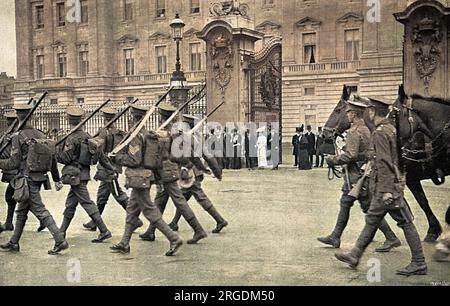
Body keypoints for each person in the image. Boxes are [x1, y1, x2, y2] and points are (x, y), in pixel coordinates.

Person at [335, 98, 427, 277]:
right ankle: (355, 254)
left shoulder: (379, 133)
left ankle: (419, 262)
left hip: (385, 187)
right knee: (378, 220)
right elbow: (394, 158)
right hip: (392, 184)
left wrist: (386, 190)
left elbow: (385, 162)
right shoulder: (390, 129)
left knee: (390, 221)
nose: (367, 114)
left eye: (369, 111)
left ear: (372, 111)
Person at [318, 100, 400, 252]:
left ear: (353, 114)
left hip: (355, 177)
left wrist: (333, 160)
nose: (347, 116)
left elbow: (351, 155)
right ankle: (335, 236)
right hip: (363, 173)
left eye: (348, 113)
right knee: (349, 203)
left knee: (366, 207)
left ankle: (390, 237)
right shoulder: (367, 129)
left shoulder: (354, 131)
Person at [140, 114, 228, 240]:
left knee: (186, 200)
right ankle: (154, 229)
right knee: (166, 199)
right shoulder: (191, 137)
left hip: (188, 174)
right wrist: (217, 172)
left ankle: (215, 222)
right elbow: (208, 156)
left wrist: (216, 172)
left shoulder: (184, 137)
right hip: (184, 173)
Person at [110, 105, 182, 256]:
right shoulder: (146, 134)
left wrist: (117, 157)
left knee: (149, 210)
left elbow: (134, 160)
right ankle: (124, 242)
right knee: (131, 210)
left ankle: (173, 238)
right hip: (143, 177)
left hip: (138, 177)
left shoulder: (136, 136)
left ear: (132, 117)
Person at [0, 103, 68, 255]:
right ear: (30, 116)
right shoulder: (41, 135)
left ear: (18, 116)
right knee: (22, 211)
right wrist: (57, 179)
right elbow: (52, 160)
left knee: (40, 210)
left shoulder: (18, 136)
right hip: (38, 178)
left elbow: (13, 162)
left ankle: (60, 240)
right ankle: (14, 242)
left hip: (26, 179)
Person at [139, 103, 208, 245]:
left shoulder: (166, 133)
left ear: (161, 117)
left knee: (179, 202)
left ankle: (198, 229)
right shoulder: (173, 133)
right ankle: (151, 231)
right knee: (160, 201)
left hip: (166, 172)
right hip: (169, 172)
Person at [56, 106, 112, 243]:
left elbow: (66, 159)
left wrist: (56, 152)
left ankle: (104, 230)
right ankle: (61, 232)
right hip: (83, 175)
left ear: (69, 120)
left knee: (87, 203)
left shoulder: (71, 138)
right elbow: (101, 156)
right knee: (70, 204)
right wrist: (110, 168)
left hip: (75, 176)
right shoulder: (88, 137)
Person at [83, 107, 143, 232]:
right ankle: (94, 222)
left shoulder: (104, 133)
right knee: (102, 196)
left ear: (105, 117)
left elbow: (99, 150)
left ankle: (135, 220)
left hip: (109, 169)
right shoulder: (119, 133)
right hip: (111, 168)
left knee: (118, 194)